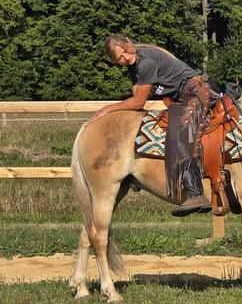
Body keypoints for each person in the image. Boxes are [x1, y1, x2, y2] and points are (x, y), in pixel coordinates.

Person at [87, 34, 221, 216]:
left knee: (181, 128)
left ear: (127, 42)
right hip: (183, 97)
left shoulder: (146, 61)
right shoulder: (134, 67)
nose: (124, 58)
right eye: (119, 59)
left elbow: (138, 102)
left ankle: (195, 192)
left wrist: (107, 109)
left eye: (124, 52)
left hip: (197, 90)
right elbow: (135, 98)